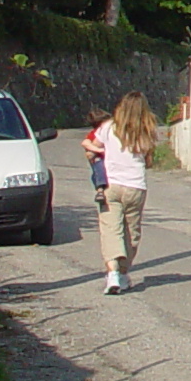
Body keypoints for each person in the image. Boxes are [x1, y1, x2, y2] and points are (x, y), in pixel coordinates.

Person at [82, 93, 157, 294]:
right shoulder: (147, 131)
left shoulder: (108, 127)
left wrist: (105, 154)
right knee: (132, 232)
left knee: (110, 229)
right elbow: (149, 162)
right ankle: (124, 274)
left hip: (111, 185)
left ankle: (112, 273)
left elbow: (92, 147)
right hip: (136, 186)